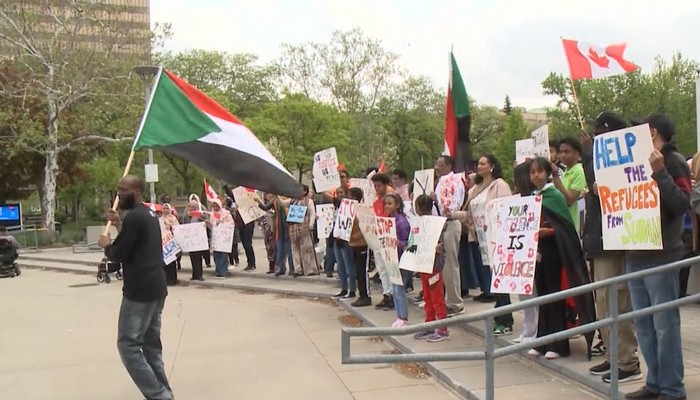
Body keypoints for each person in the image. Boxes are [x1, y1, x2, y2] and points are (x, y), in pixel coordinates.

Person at [625, 113, 689, 400]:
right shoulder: (631, 162)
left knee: (665, 326)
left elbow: (681, 203)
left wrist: (660, 172)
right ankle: (655, 383)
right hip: (635, 252)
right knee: (644, 326)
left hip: (662, 254)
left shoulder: (673, 161)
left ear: (652, 133)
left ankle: (673, 388)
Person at [97, 175, 173, 400]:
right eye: (118, 189)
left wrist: (107, 246)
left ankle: (159, 394)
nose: (119, 194)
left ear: (137, 192)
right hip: (155, 287)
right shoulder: (147, 214)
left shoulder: (136, 218)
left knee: (128, 346)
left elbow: (120, 253)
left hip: (140, 291)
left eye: (124, 190)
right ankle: (164, 392)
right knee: (150, 347)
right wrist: (119, 223)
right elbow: (134, 243)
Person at [581, 112, 642, 383]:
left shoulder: (626, 162)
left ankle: (627, 361)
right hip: (598, 243)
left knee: (617, 302)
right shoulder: (599, 163)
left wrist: (588, 159)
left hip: (614, 244)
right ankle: (612, 354)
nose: (597, 138)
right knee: (603, 304)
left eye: (601, 133)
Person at [527, 158, 596, 360]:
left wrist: (547, 231)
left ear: (548, 173)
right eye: (532, 172)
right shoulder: (533, 197)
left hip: (555, 251)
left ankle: (558, 344)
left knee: (554, 295)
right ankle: (542, 340)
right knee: (542, 295)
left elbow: (564, 228)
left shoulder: (554, 195)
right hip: (539, 252)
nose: (536, 176)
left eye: (540, 171)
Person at [450, 154, 512, 334]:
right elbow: (468, 214)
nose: (479, 166)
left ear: (492, 166)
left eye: (483, 163)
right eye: (478, 163)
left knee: (500, 277)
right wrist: (453, 214)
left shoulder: (499, 185)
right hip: (481, 239)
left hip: (497, 238)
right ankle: (500, 310)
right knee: (493, 276)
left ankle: (505, 316)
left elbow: (506, 208)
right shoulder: (475, 189)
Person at [411, 194, 450, 342]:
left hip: (434, 265)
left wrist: (438, 248)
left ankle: (442, 328)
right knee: (427, 296)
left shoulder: (435, 223)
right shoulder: (419, 223)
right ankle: (430, 323)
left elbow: (441, 235)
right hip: (424, 263)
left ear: (420, 207)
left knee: (437, 297)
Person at [432, 155, 466, 316]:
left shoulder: (456, 182)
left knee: (450, 264)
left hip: (451, 223)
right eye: (436, 164)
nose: (437, 168)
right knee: (442, 265)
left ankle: (455, 303)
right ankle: (446, 299)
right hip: (439, 224)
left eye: (440, 165)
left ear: (449, 166)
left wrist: (449, 210)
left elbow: (456, 202)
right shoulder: (439, 183)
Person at [511, 160, 539, 344]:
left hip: (532, 252)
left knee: (533, 293)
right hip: (518, 252)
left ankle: (535, 331)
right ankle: (528, 329)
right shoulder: (516, 200)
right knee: (524, 294)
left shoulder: (535, 199)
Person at [384, 193, 411, 328]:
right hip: (392, 259)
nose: (387, 206)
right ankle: (399, 316)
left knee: (399, 290)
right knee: (394, 289)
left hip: (401, 259)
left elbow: (408, 242)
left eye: (390, 203)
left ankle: (404, 317)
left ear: (397, 205)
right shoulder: (388, 221)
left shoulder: (401, 222)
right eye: (386, 204)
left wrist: (398, 243)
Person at [371, 173, 396, 309]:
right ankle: (386, 294)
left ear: (386, 186)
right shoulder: (375, 203)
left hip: (389, 239)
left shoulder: (390, 201)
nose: (377, 189)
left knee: (389, 267)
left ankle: (393, 294)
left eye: (379, 186)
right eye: (375, 186)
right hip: (378, 238)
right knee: (381, 268)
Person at [551, 137, 587, 234]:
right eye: (561, 152)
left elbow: (569, 200)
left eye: (567, 152)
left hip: (571, 226)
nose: (562, 155)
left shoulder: (579, 172)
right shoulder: (566, 172)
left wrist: (556, 178)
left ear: (576, 154)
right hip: (561, 225)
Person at [286, 185, 320, 277]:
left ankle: (309, 269)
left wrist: (311, 224)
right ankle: (298, 269)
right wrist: (276, 197)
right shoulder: (292, 201)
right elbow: (283, 203)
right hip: (294, 227)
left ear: (305, 192)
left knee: (306, 248)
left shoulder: (309, 201)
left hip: (304, 227)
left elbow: (312, 213)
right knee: (295, 249)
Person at [258, 194, 294, 276]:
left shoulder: (289, 199)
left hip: (288, 227)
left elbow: (284, 204)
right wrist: (258, 200)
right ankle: (281, 268)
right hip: (278, 228)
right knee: (279, 250)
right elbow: (265, 207)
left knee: (289, 251)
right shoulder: (275, 199)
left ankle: (292, 268)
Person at [331, 186, 357, 299]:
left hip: (346, 239)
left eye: (342, 192)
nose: (340, 195)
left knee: (348, 265)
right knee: (340, 265)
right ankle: (343, 288)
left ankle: (352, 289)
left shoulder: (350, 207)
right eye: (338, 193)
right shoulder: (336, 206)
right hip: (336, 238)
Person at [348, 187, 371, 307]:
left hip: (362, 244)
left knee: (362, 271)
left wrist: (354, 237)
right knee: (357, 271)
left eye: (350, 196)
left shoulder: (361, 210)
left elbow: (364, 228)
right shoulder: (349, 210)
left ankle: (366, 295)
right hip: (353, 244)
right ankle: (361, 294)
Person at [183, 199, 209, 281]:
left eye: (191, 206)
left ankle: (199, 275)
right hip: (190, 239)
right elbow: (184, 225)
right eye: (189, 206)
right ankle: (194, 274)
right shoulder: (187, 216)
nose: (189, 208)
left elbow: (205, 221)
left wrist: (205, 223)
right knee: (192, 257)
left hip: (198, 239)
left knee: (198, 257)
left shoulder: (200, 214)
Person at [209, 198, 234, 278]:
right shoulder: (212, 214)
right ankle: (218, 271)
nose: (215, 208)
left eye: (217, 206)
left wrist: (222, 223)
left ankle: (223, 272)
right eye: (214, 206)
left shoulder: (226, 213)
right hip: (216, 237)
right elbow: (211, 225)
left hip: (223, 237)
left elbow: (231, 223)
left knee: (223, 255)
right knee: (216, 255)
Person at [160, 203, 179, 286]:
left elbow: (177, 229)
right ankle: (166, 279)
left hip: (171, 242)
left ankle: (173, 279)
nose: (165, 210)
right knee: (165, 262)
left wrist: (171, 228)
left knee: (171, 262)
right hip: (163, 242)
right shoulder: (160, 219)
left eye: (167, 208)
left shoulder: (173, 219)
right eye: (164, 208)